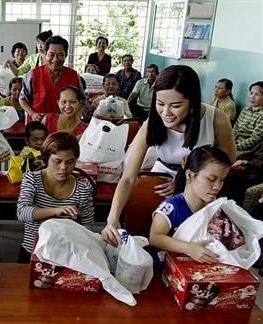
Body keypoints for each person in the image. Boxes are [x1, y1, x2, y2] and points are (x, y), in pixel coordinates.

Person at [101, 65, 236, 247]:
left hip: (201, 182)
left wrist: (185, 180)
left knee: (200, 238)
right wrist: (112, 218)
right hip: (162, 177)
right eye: (160, 103)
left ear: (192, 102)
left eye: (176, 105)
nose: (166, 112)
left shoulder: (216, 119)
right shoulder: (152, 123)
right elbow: (128, 177)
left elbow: (227, 162)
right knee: (151, 226)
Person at [17, 132, 94, 262]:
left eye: (70, 162)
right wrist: (57, 210)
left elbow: (88, 227)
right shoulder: (32, 179)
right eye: (57, 161)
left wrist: (76, 229)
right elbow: (22, 212)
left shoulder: (82, 189)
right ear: (46, 159)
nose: (63, 168)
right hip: (32, 252)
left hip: (66, 255)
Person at [149, 145, 231, 263]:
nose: (217, 187)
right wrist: (188, 248)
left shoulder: (214, 206)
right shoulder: (172, 207)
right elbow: (155, 238)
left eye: (221, 180)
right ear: (189, 175)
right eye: (211, 179)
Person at [19, 35, 81, 123]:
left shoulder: (74, 76)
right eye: (51, 54)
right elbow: (22, 99)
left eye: (60, 55)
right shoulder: (33, 75)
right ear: (45, 53)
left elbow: (82, 100)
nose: (55, 59)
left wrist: (77, 116)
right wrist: (33, 114)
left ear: (66, 54)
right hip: (38, 126)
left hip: (64, 124)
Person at [220, 140, 263, 205]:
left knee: (234, 179)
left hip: (258, 173)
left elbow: (260, 164)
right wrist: (237, 159)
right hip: (250, 166)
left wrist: (246, 163)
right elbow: (251, 152)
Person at [232, 81, 263, 153]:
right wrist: (229, 142)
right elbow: (235, 129)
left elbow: (254, 139)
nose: (252, 97)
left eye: (257, 94)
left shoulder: (261, 115)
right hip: (234, 143)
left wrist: (234, 147)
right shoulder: (245, 110)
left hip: (248, 149)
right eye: (251, 93)